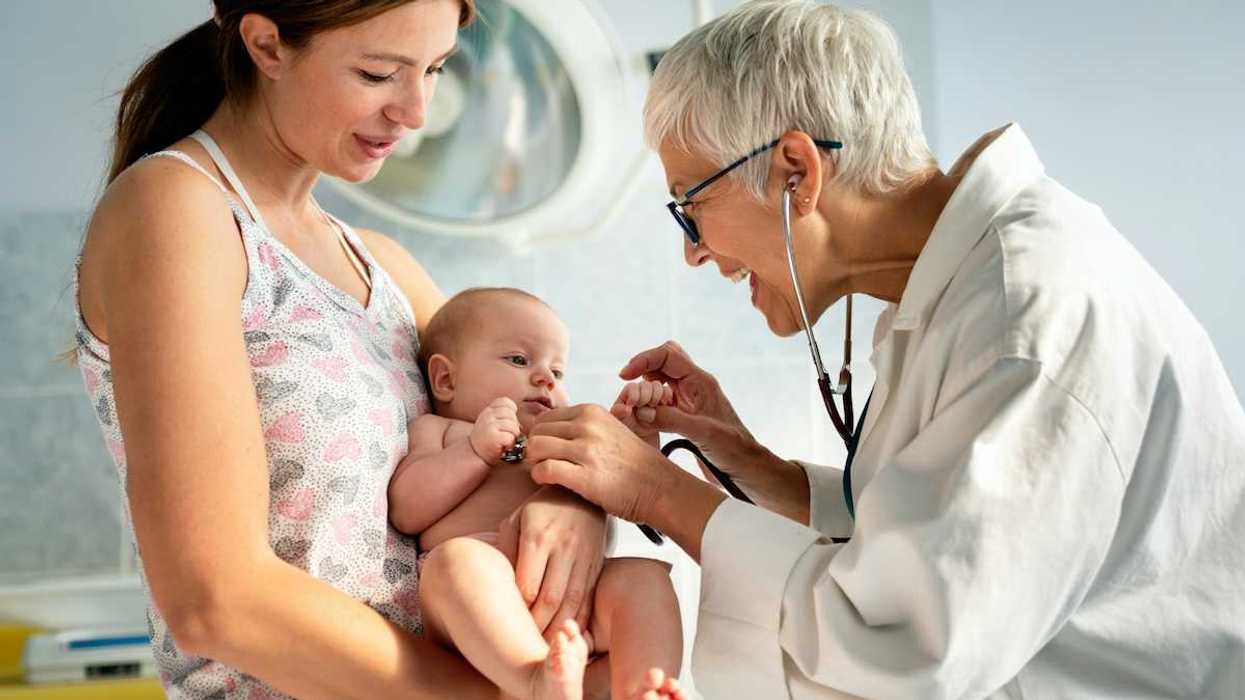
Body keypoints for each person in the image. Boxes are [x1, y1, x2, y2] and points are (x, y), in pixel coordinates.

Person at [520, 2, 1245, 698]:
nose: (694, 252)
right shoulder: (953, 293)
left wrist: (655, 490)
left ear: (796, 172)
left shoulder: (1028, 319)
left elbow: (913, 643)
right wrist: (756, 467)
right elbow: (927, 531)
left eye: (691, 206)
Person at [74, 2, 615, 697]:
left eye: (435, 69)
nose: (416, 112)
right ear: (267, 45)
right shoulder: (174, 209)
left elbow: (528, 438)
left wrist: (573, 506)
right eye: (379, 73)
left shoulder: (385, 269)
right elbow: (217, 601)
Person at [390, 287, 685, 700]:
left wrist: (636, 437)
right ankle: (532, 680)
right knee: (455, 563)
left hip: (576, 601)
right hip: (481, 611)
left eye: (558, 372)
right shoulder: (440, 432)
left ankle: (642, 687)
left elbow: (622, 495)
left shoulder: (560, 435)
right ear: (446, 379)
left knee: (644, 576)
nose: (545, 377)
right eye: (519, 360)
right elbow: (405, 510)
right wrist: (473, 452)